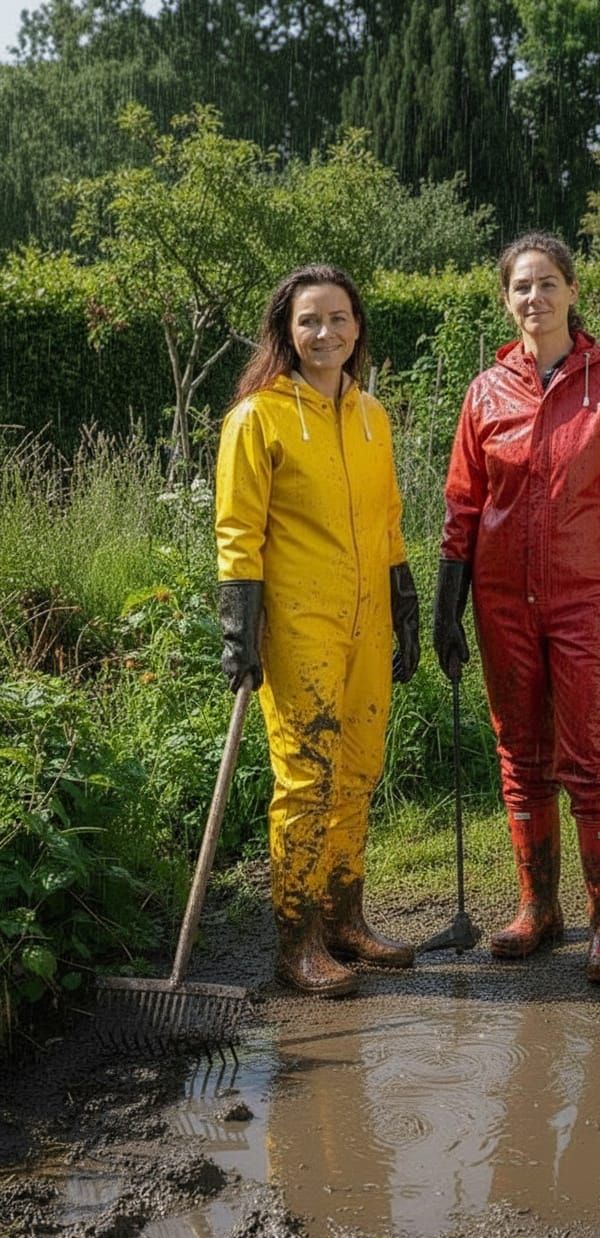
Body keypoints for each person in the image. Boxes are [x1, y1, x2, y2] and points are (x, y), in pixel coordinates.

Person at [432, 232, 600, 983]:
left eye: (548, 284)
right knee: (521, 760)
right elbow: (463, 505)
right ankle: (538, 909)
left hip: (584, 602)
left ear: (572, 292)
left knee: (593, 760)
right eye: (521, 287)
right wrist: (447, 606)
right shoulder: (484, 394)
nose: (535, 298)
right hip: (502, 606)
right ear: (506, 301)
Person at [215, 264, 420, 998]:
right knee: (307, 778)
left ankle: (343, 920)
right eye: (309, 321)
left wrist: (405, 603)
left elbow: (389, 517)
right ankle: (295, 941)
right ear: (286, 332)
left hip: (367, 622)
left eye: (337, 318)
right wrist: (240, 629)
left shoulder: (372, 416)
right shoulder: (258, 418)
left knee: (359, 770)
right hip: (299, 625)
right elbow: (237, 531)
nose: (324, 332)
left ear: (357, 327)